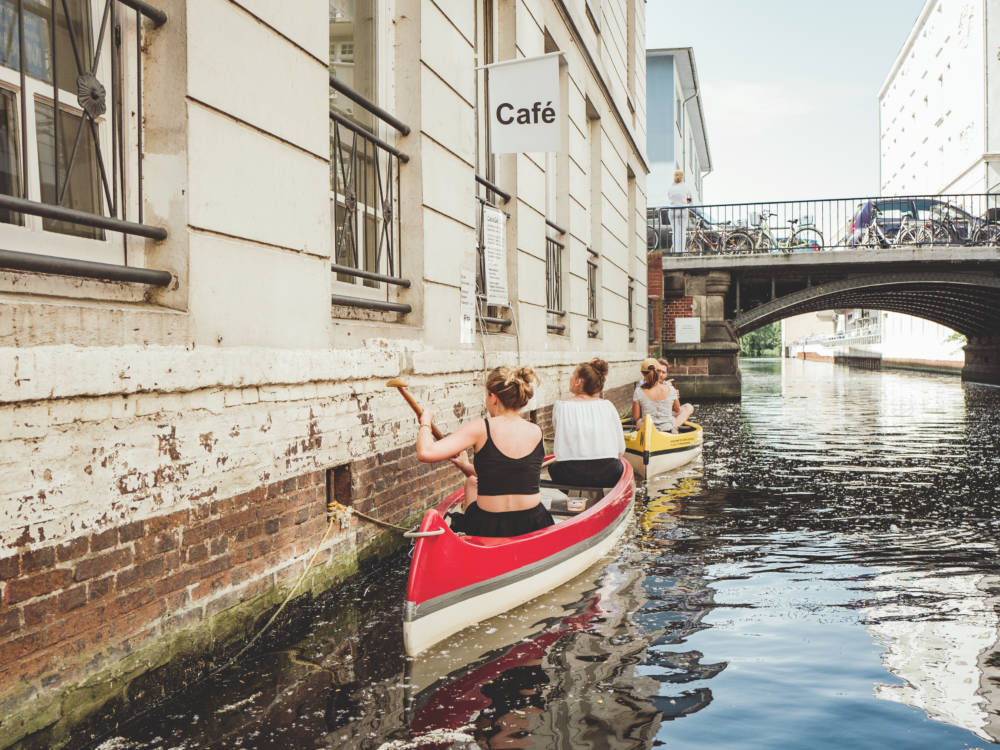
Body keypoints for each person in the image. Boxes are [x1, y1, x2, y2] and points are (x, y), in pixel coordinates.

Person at [415, 365, 554, 537]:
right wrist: (466, 466)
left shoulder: (481, 428)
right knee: (472, 480)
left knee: (471, 484)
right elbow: (507, 476)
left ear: (493, 397)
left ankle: (469, 536)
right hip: (533, 522)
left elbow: (425, 452)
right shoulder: (536, 431)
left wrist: (425, 422)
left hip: (490, 525)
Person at [549, 358, 625, 488]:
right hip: (608, 473)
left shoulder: (560, 406)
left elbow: (561, 439)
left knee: (553, 467)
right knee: (619, 464)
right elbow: (620, 450)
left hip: (568, 475)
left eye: (572, 375)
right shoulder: (608, 406)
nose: (570, 379)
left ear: (579, 381)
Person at [632, 358, 693, 433]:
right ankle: (673, 427)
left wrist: (674, 398)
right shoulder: (670, 388)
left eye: (663, 372)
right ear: (655, 371)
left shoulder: (639, 390)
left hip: (651, 426)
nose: (660, 374)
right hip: (658, 422)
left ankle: (673, 425)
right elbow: (677, 409)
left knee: (688, 407)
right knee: (672, 419)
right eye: (659, 371)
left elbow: (635, 417)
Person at [667, 170, 693, 253]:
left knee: (675, 232)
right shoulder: (685, 187)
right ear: (682, 177)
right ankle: (681, 251)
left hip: (672, 210)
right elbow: (689, 199)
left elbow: (669, 197)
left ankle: (676, 251)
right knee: (682, 232)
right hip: (683, 210)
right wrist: (685, 203)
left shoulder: (671, 187)